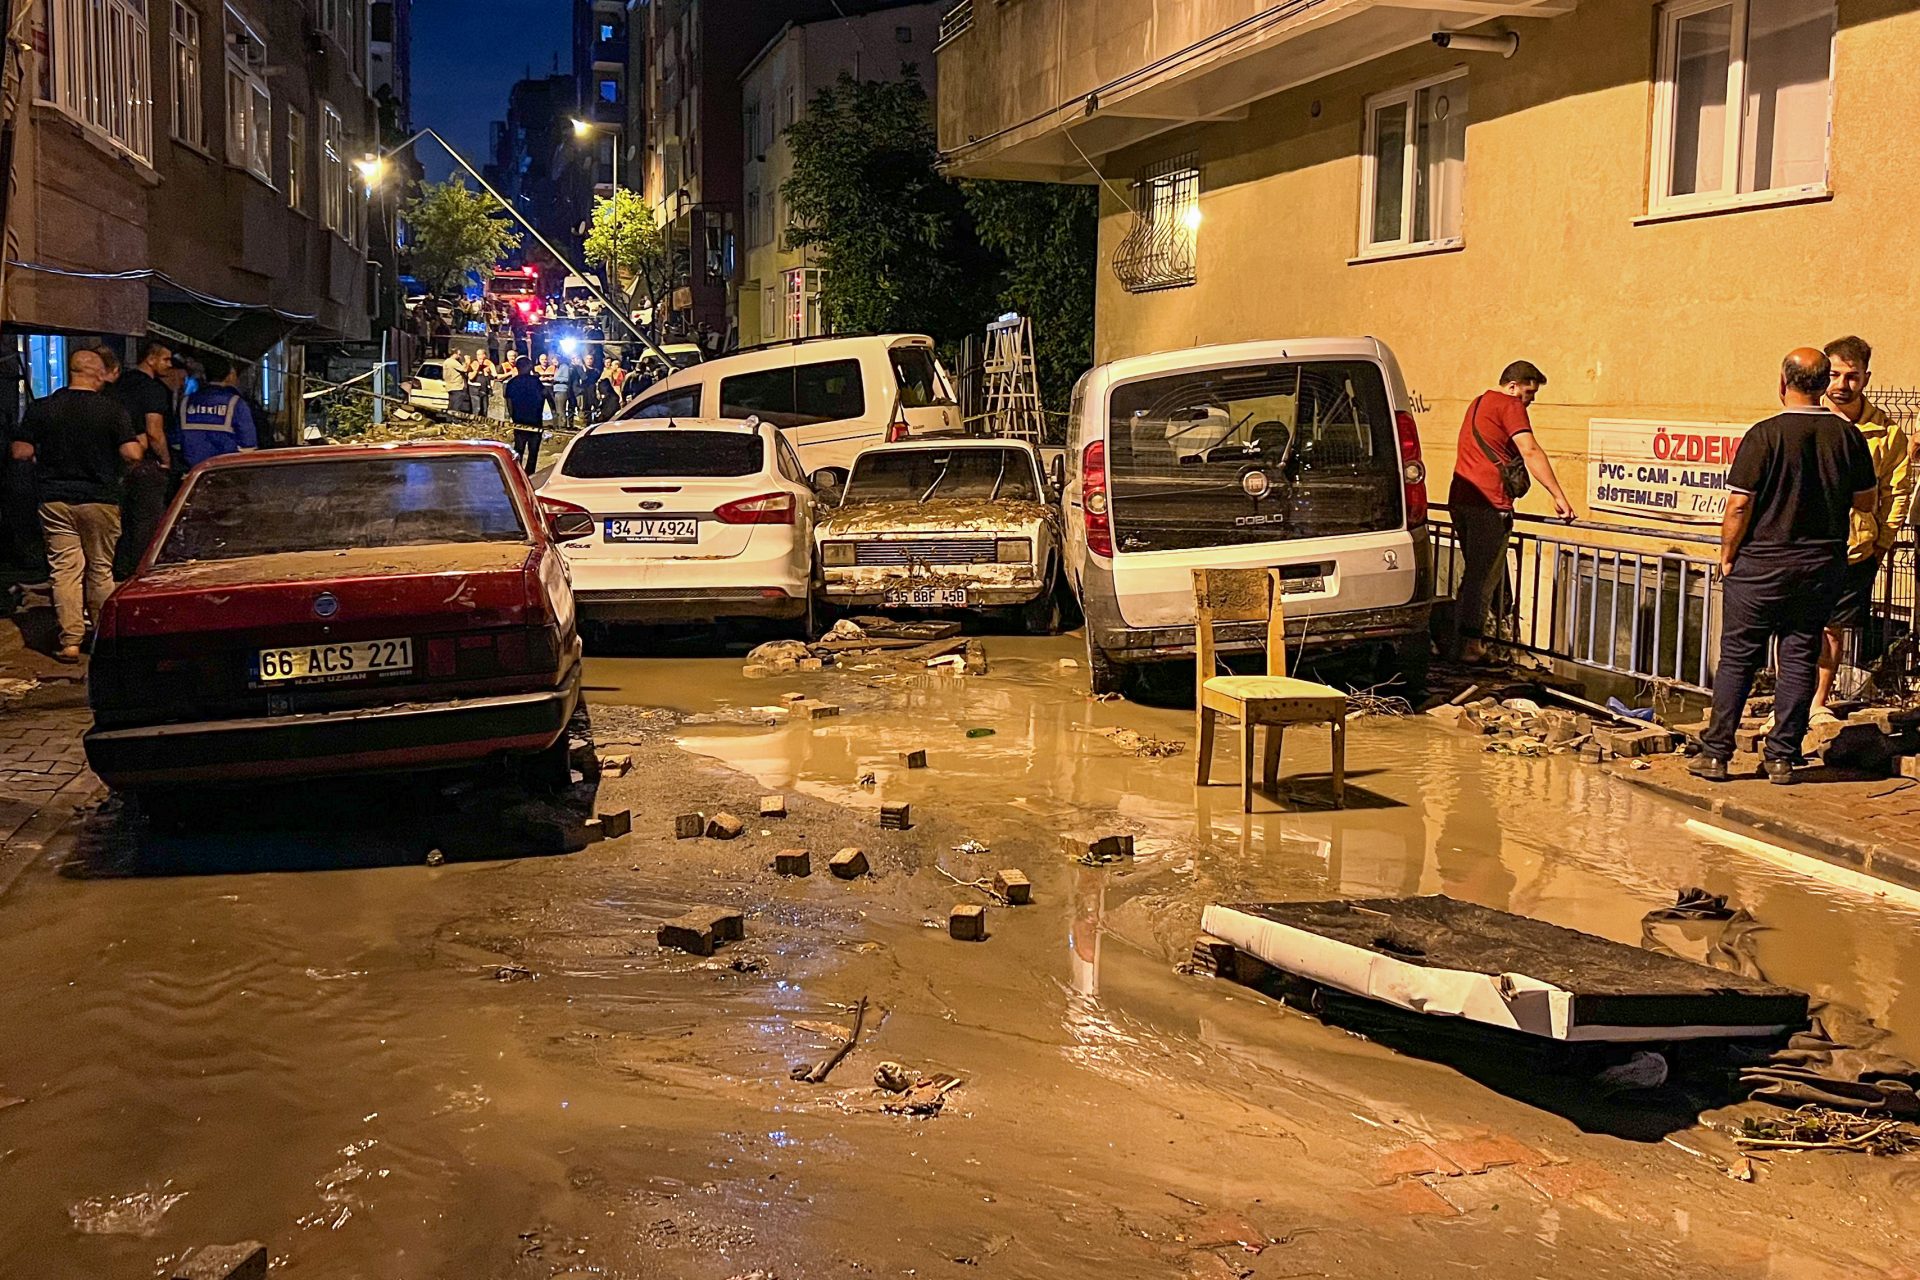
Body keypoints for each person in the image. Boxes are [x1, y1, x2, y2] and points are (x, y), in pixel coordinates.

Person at [1691, 349, 1878, 785]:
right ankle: (1782, 758)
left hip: (1761, 564)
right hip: (1820, 565)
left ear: (1782, 383)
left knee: (1739, 658)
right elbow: (1866, 502)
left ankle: (1716, 754)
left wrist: (1727, 555)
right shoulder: (1849, 438)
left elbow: (1739, 505)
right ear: (1823, 385)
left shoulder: (1764, 435)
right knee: (1799, 655)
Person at [8, 348, 144, 661]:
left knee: (64, 571)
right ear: (98, 374)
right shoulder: (111, 410)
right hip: (99, 499)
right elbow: (132, 454)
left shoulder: (43, 408)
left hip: (55, 500)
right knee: (99, 569)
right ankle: (103, 637)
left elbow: (20, 451)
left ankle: (69, 641)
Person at [1446, 360, 1575, 661]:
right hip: (1489, 505)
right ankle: (1470, 646)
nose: (1530, 401)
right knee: (1484, 577)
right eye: (1528, 393)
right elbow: (1529, 450)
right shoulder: (1508, 404)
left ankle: (1462, 641)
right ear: (1513, 386)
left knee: (1475, 573)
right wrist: (1559, 495)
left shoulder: (1478, 403)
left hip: (1462, 499)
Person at [1812, 335, 1909, 717]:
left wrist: (1881, 544)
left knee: (1833, 629)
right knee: (1796, 632)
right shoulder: (1807, 420)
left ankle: (1817, 703)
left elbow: (1896, 493)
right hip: (1804, 546)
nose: (1841, 385)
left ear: (1866, 378)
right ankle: (1789, 704)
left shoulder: (1887, 434)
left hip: (1854, 551)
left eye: (1851, 376)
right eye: (1834, 374)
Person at [106, 339, 178, 578]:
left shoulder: (119, 384)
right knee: (147, 524)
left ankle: (120, 570)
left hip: (116, 462)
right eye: (166, 359)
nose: (169, 365)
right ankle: (141, 574)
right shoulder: (153, 389)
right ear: (151, 358)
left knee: (123, 522)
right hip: (145, 463)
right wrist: (166, 461)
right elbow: (154, 431)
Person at [179, 354, 259, 469]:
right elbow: (249, 446)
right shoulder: (236, 403)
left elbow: (175, 440)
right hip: (226, 472)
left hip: (193, 473)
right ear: (228, 376)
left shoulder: (186, 402)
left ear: (205, 376)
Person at [503, 356, 547, 473]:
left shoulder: (512, 383)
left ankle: (517, 473)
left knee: (519, 449)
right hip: (534, 420)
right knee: (533, 451)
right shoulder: (535, 382)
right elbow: (544, 396)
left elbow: (509, 402)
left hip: (519, 420)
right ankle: (530, 474)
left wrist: (513, 416)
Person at [444, 349, 472, 416]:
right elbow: (464, 369)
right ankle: (455, 420)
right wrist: (467, 362)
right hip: (457, 386)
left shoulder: (446, 361)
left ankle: (449, 420)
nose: (459, 356)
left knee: (451, 404)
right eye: (459, 354)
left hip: (450, 386)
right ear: (454, 354)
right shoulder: (453, 362)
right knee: (457, 405)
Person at [471, 352, 497, 418]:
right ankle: (475, 423)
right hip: (475, 389)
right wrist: (476, 370)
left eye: (481, 355)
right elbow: (470, 377)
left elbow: (493, 377)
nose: (480, 358)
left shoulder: (489, 365)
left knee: (485, 409)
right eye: (478, 355)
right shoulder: (474, 364)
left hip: (485, 390)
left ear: (485, 355)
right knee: (477, 408)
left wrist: (487, 373)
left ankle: (483, 424)